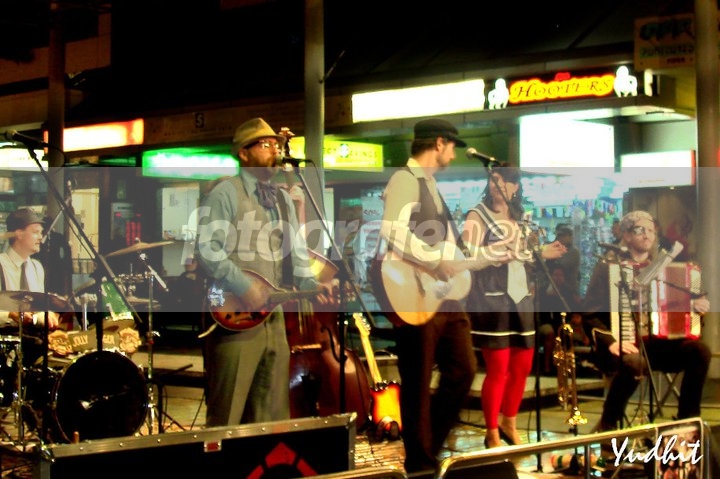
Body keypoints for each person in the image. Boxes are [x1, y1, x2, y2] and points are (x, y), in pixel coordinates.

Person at [375, 118, 499, 472]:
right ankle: (420, 463)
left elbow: (449, 248)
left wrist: (488, 255)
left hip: (442, 295)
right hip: (415, 292)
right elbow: (392, 231)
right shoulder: (405, 179)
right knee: (417, 380)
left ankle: (429, 447)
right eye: (453, 146)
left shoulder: (430, 185)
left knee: (463, 370)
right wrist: (434, 261)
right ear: (440, 143)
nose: (455, 154)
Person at [196, 117, 335, 427]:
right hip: (236, 318)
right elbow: (206, 249)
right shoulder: (225, 193)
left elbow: (296, 253)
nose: (275, 150)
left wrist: (313, 286)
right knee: (228, 415)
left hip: (273, 317)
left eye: (277, 145)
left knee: (271, 414)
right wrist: (243, 286)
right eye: (266, 144)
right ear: (243, 153)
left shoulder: (282, 199)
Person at [461, 164, 566, 448]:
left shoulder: (520, 217)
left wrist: (541, 252)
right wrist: (498, 253)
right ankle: (491, 431)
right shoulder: (477, 214)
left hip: (521, 297)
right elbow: (467, 254)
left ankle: (510, 422)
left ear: (515, 186)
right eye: (493, 179)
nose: (497, 185)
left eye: (504, 180)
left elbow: (524, 255)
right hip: (491, 298)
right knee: (498, 368)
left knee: (522, 366)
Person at [581, 210, 710, 434]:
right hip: (623, 344)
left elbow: (683, 310)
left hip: (660, 345)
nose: (647, 235)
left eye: (651, 230)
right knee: (634, 362)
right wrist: (612, 341)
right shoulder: (608, 267)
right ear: (627, 235)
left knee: (700, 351)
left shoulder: (667, 268)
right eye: (640, 230)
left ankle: (687, 422)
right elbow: (589, 314)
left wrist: (696, 307)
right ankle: (608, 424)